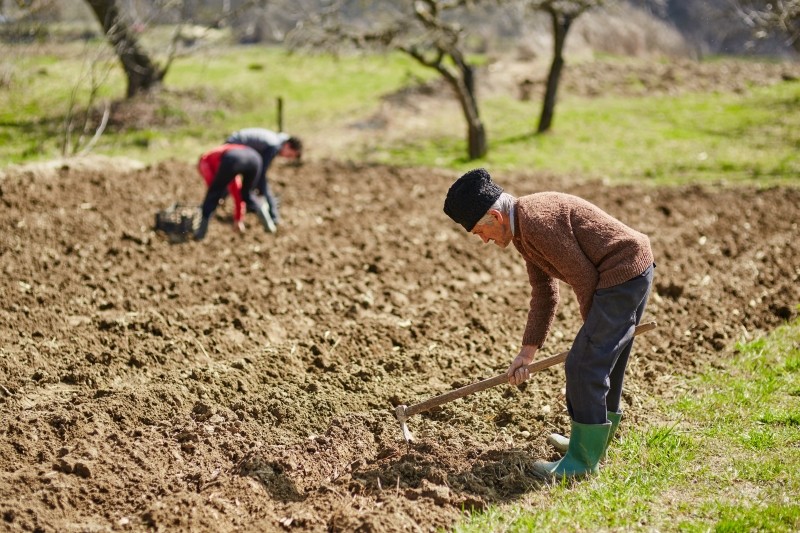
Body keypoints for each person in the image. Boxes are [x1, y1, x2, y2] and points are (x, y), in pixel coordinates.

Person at [443, 168, 655, 480]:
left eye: (481, 232)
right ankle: (593, 441)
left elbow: (585, 278)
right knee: (603, 361)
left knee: (584, 365)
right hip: (630, 269)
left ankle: (582, 461)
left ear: (496, 217)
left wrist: (592, 337)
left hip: (622, 273)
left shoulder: (536, 223)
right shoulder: (522, 231)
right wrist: (526, 353)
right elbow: (544, 292)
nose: (485, 240)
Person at [194, 143, 276, 241]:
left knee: (212, 194)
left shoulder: (204, 160)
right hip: (255, 158)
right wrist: (238, 219)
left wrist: (219, 197)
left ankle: (200, 234)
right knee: (247, 194)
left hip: (233, 158)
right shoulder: (219, 154)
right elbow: (237, 193)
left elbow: (213, 185)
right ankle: (269, 225)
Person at [225, 128, 303, 227]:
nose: (286, 157)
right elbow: (261, 173)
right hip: (234, 148)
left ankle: (250, 205)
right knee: (236, 180)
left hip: (236, 147)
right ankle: (271, 217)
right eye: (289, 155)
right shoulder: (273, 145)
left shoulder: (274, 141)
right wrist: (268, 198)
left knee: (239, 180)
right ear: (288, 145)